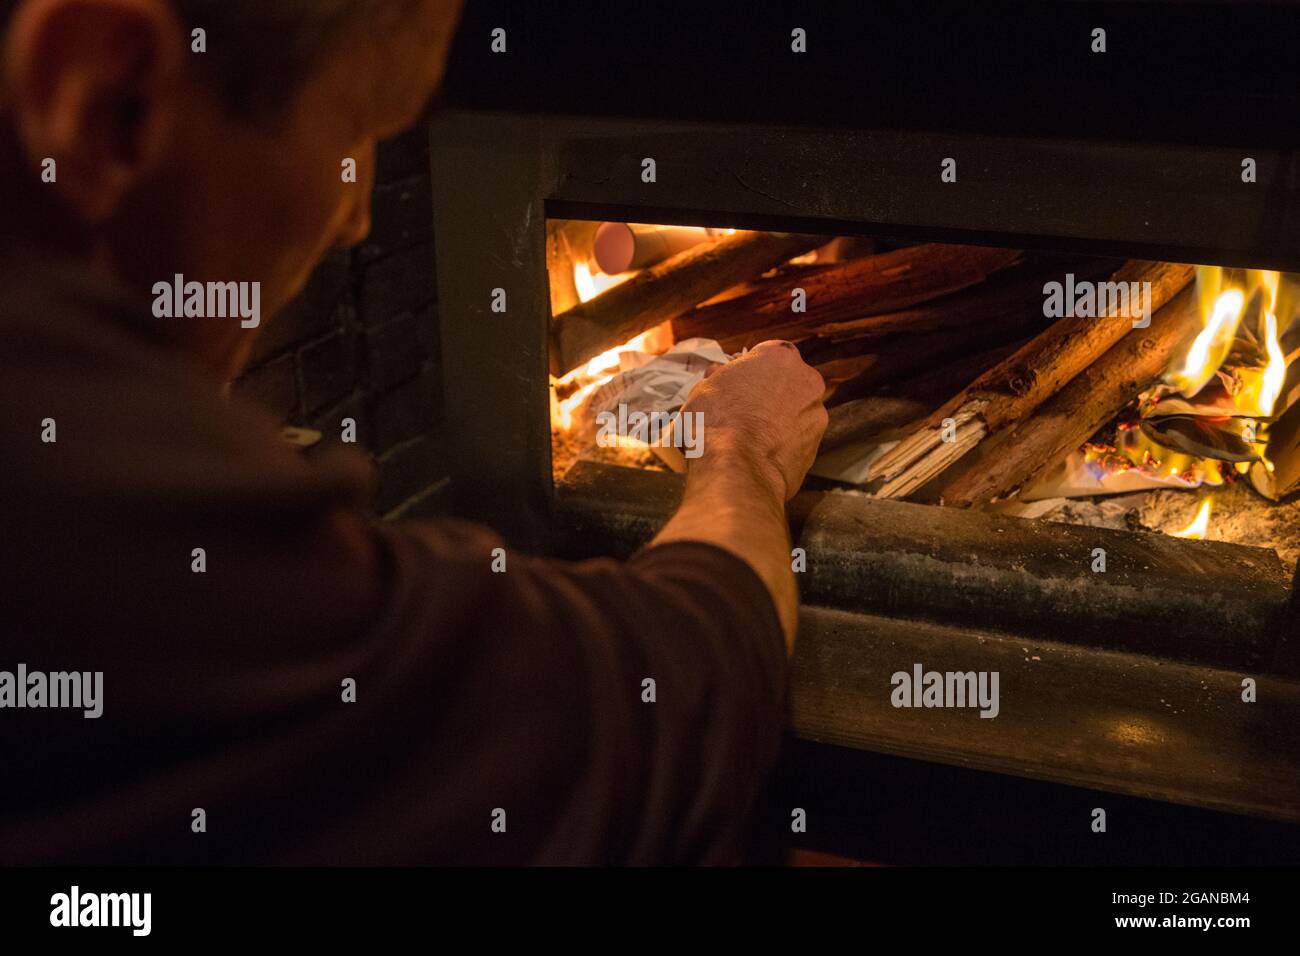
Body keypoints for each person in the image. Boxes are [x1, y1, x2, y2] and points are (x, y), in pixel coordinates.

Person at [0, 0, 827, 864]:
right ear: (103, 96)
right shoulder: (123, 526)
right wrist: (741, 449)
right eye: (358, 128)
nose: (357, 215)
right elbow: (662, 703)